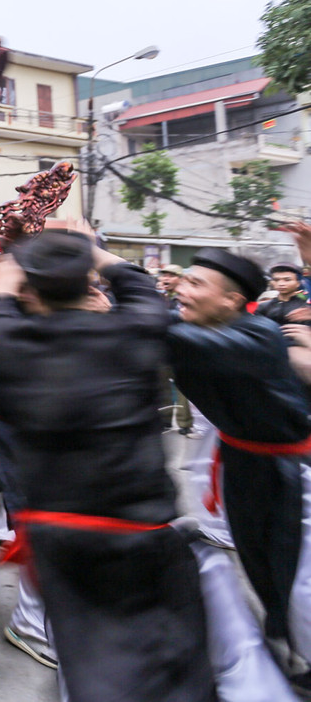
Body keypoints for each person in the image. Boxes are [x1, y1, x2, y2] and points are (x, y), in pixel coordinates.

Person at [0, 231, 215, 701]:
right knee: (167, 657)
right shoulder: (135, 326)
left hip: (66, 540)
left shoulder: (11, 338)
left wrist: (6, 278)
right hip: (142, 531)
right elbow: (136, 281)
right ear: (88, 282)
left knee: (88, 657)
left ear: (29, 290)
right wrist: (87, 246)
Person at [168, 248, 311, 689]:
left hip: (295, 470)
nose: (179, 288)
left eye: (195, 284)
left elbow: (163, 338)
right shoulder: (189, 330)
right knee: (260, 563)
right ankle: (285, 636)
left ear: (232, 301)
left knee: (302, 576)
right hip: (241, 463)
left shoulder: (258, 333)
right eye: (182, 280)